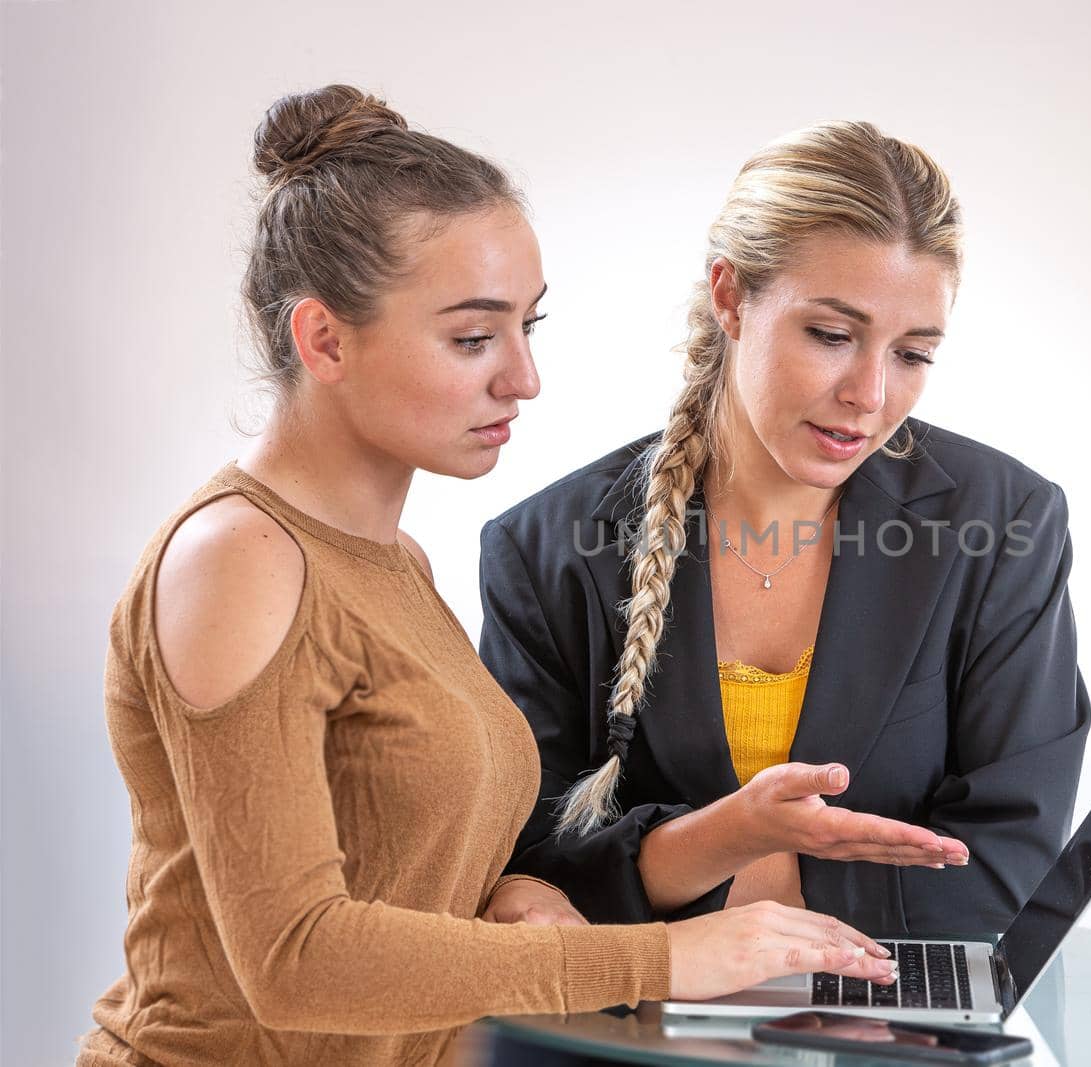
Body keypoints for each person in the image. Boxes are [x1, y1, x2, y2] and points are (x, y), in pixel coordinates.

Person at [79, 87, 895, 1067]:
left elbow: (390, 860)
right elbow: (296, 957)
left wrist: (509, 894)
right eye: (473, 337)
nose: (522, 377)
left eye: (526, 328)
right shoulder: (239, 560)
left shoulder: (392, 559)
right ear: (324, 339)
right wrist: (655, 956)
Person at [479, 121, 1091, 939]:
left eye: (912, 354)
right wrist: (745, 854)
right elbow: (525, 865)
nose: (869, 394)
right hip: (643, 1027)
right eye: (832, 336)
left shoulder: (1004, 521)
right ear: (730, 296)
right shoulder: (548, 548)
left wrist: (684, 877)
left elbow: (1014, 860)